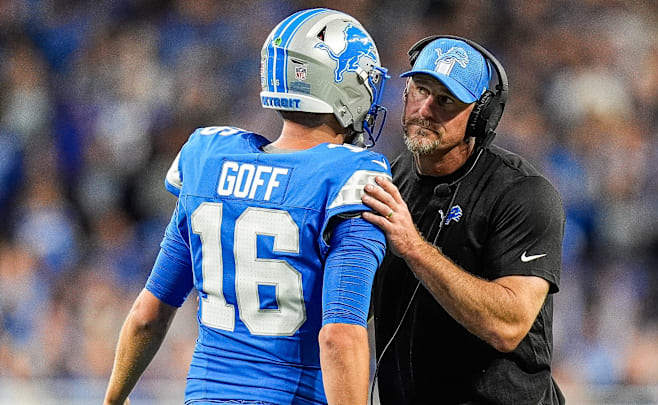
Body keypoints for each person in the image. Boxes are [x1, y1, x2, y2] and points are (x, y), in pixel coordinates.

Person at [103, 8, 391, 405]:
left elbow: (148, 314)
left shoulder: (208, 158)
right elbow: (339, 334)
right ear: (341, 87)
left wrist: (114, 399)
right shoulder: (350, 175)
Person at [362, 36, 566, 404]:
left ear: (480, 116)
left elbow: (509, 325)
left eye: (445, 101)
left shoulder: (523, 193)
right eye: (420, 90)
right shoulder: (390, 179)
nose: (425, 109)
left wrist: (414, 249)